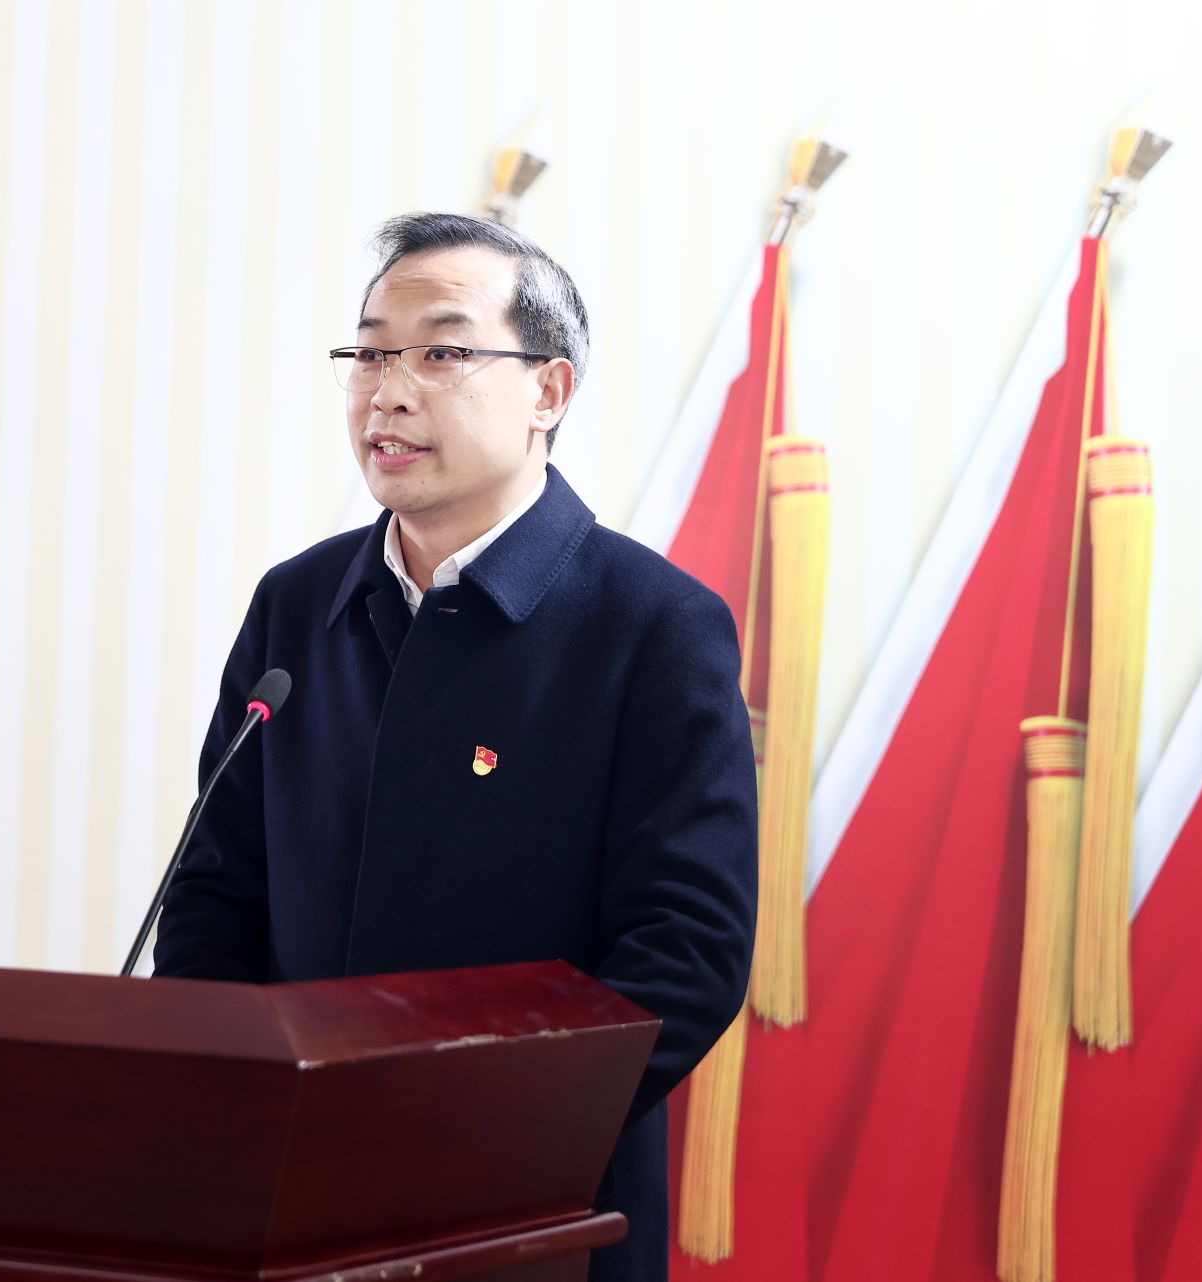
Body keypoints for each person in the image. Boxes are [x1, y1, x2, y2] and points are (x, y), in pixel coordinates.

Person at [153, 211, 757, 1281]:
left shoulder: (653, 627)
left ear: (548, 391)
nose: (387, 391)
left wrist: (480, 1134)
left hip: (531, 1213)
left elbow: (685, 953)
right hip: (286, 1200)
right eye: (369, 354)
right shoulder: (295, 606)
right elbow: (214, 894)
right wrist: (234, 1099)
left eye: (439, 353)